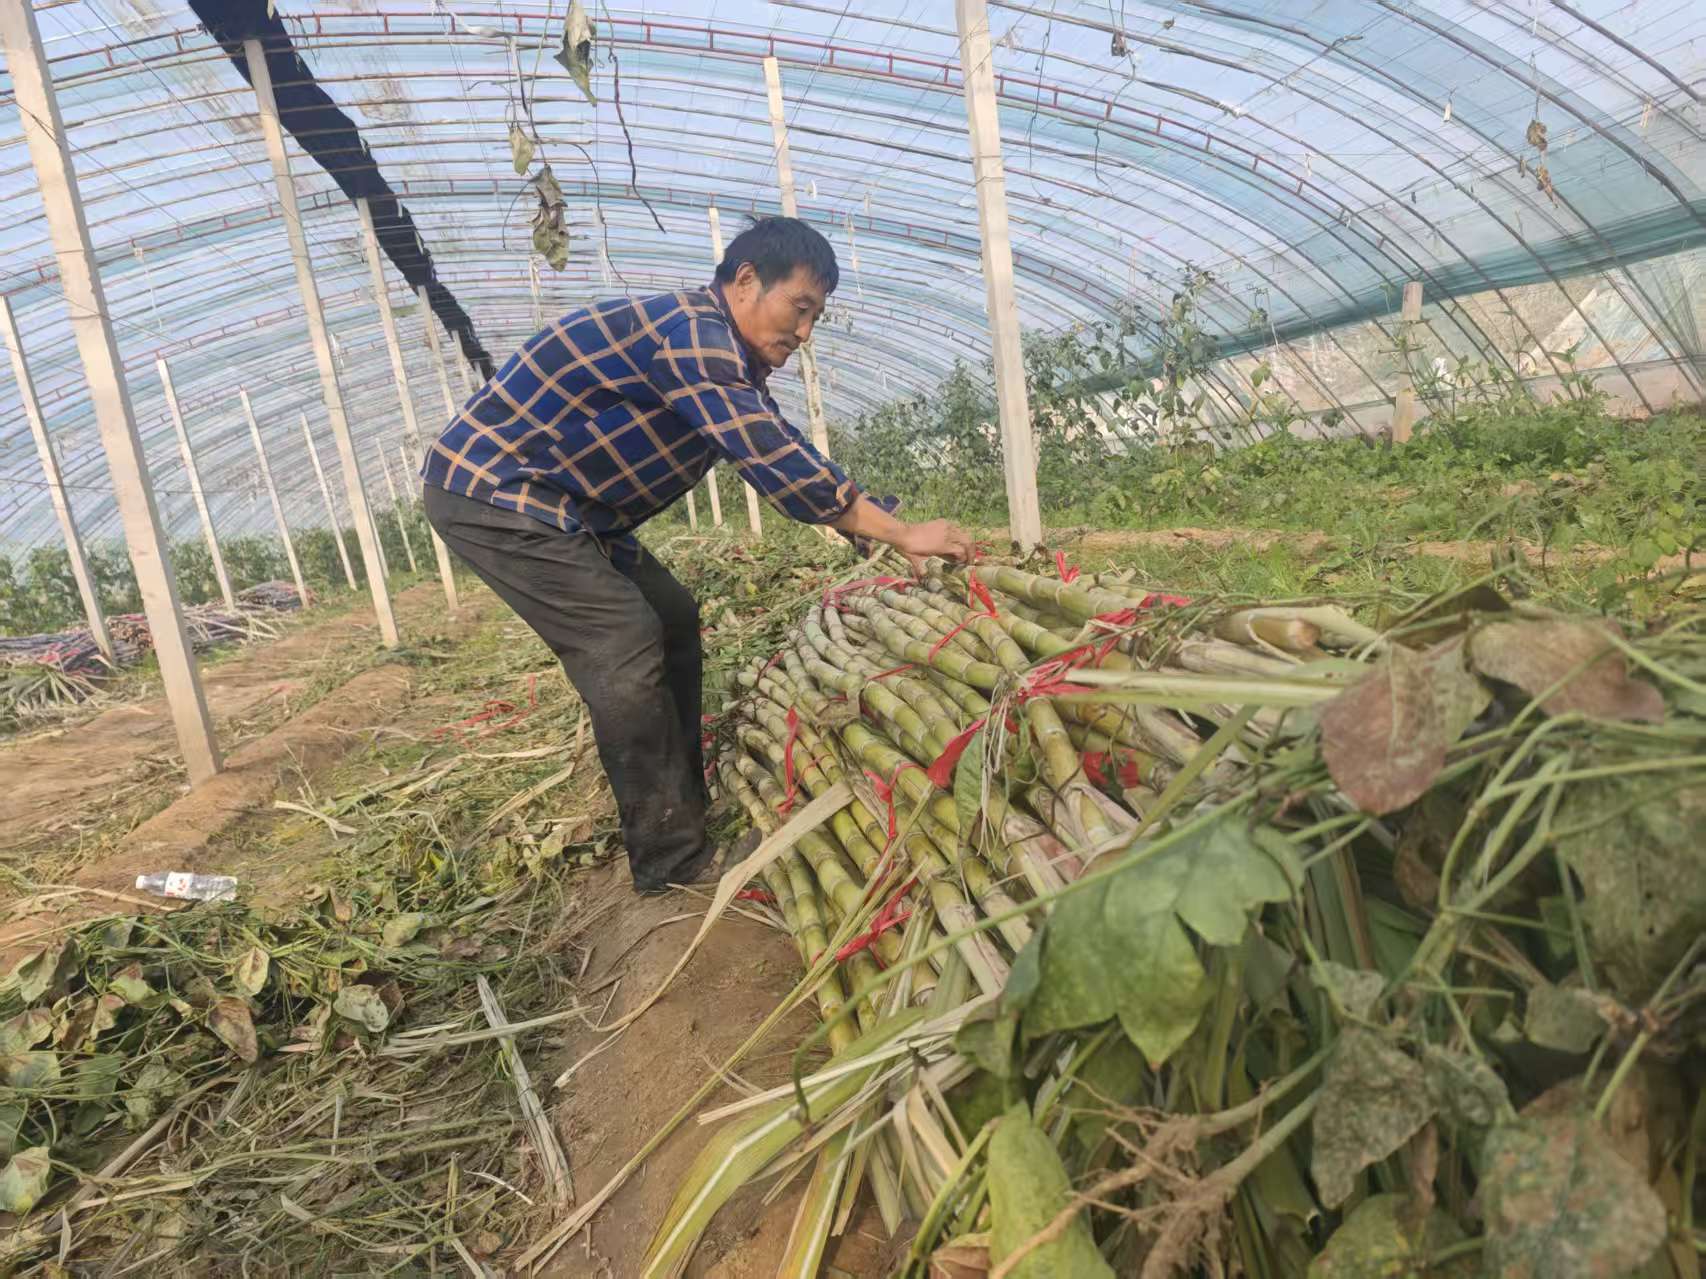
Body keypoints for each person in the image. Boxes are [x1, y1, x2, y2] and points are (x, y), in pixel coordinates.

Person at [421, 216, 974, 894]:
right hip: (494, 493)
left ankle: (684, 806)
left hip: (570, 508)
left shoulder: (722, 359)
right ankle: (671, 861)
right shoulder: (690, 333)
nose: (804, 333)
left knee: (672, 617)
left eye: (815, 319)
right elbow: (769, 456)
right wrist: (901, 533)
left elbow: (774, 438)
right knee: (622, 638)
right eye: (799, 308)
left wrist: (879, 527)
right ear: (746, 280)